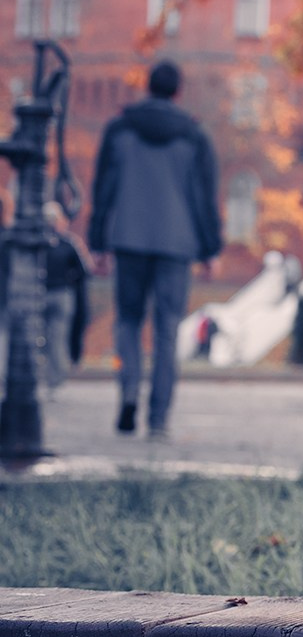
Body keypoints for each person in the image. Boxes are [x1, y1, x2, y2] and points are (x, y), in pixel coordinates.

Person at [86, 59, 222, 437]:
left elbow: (104, 188)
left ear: (147, 87)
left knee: (127, 322)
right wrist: (210, 249)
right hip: (176, 244)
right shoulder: (194, 136)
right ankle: (158, 418)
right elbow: (204, 197)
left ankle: (128, 391)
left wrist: (97, 242)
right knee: (166, 330)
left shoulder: (119, 129)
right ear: (177, 91)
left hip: (127, 238)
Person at [42, 202, 93, 391]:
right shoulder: (67, 243)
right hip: (59, 293)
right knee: (55, 337)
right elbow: (84, 270)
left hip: (54, 293)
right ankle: (54, 377)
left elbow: (84, 270)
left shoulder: (60, 244)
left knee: (52, 337)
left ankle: (53, 377)